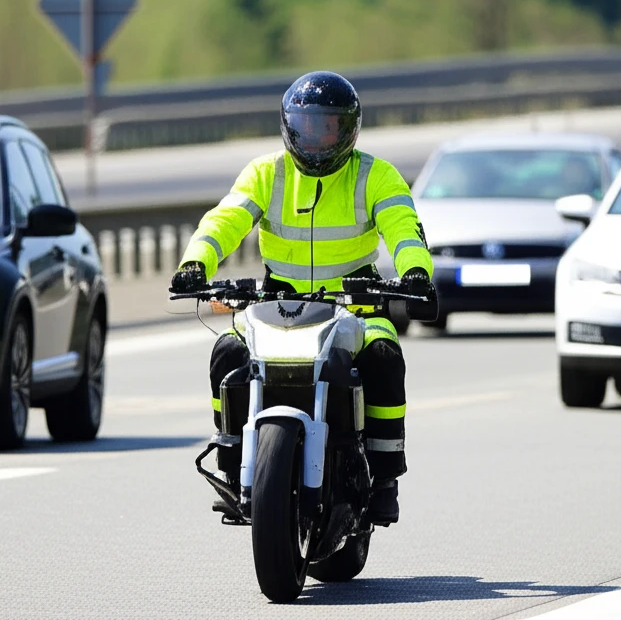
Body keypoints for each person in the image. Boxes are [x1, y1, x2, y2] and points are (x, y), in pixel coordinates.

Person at [169, 71, 437, 526]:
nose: (316, 137)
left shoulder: (377, 175)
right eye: (307, 125)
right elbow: (225, 220)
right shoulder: (265, 172)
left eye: (328, 125)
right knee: (228, 351)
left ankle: (386, 476)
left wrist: (415, 273)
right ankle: (233, 461)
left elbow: (404, 229)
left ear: (349, 128)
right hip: (277, 303)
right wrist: (195, 264)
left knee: (385, 355)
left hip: (357, 301)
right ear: (289, 125)